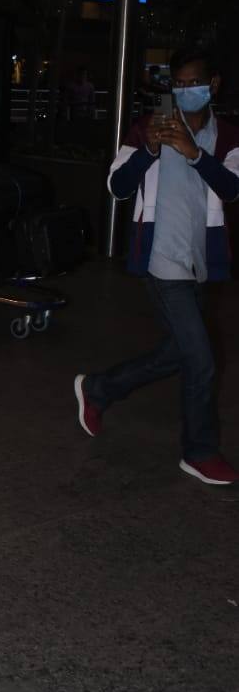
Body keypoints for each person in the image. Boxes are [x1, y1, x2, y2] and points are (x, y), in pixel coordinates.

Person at [75, 46, 239, 486]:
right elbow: (117, 186)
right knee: (201, 359)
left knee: (180, 351)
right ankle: (200, 451)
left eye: (194, 82)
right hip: (161, 261)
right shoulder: (151, 127)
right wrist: (148, 150)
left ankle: (99, 388)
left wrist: (195, 154)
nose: (185, 90)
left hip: (200, 261)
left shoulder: (226, 137)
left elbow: (233, 187)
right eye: (178, 83)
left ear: (214, 84)